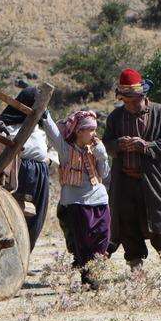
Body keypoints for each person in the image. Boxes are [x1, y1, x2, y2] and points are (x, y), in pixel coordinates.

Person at [102, 69, 161, 269]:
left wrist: (146, 146)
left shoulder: (159, 112)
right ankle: (135, 264)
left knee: (160, 221)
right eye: (125, 101)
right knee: (127, 222)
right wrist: (119, 144)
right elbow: (106, 144)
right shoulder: (115, 117)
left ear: (143, 96)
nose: (128, 104)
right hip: (125, 180)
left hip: (153, 180)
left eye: (132, 100)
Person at [44, 109, 110, 284]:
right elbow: (53, 134)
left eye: (95, 130)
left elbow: (103, 173)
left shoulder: (95, 149)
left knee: (102, 236)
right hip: (77, 202)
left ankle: (97, 270)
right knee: (83, 242)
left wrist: (102, 157)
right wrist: (45, 114)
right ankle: (88, 277)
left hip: (99, 199)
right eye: (91, 130)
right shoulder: (65, 149)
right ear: (79, 131)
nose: (94, 134)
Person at [0, 87, 51, 250]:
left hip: (41, 173)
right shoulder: (8, 125)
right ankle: (12, 254)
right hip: (21, 171)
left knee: (37, 217)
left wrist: (47, 160)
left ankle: (25, 254)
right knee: (17, 214)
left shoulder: (40, 127)